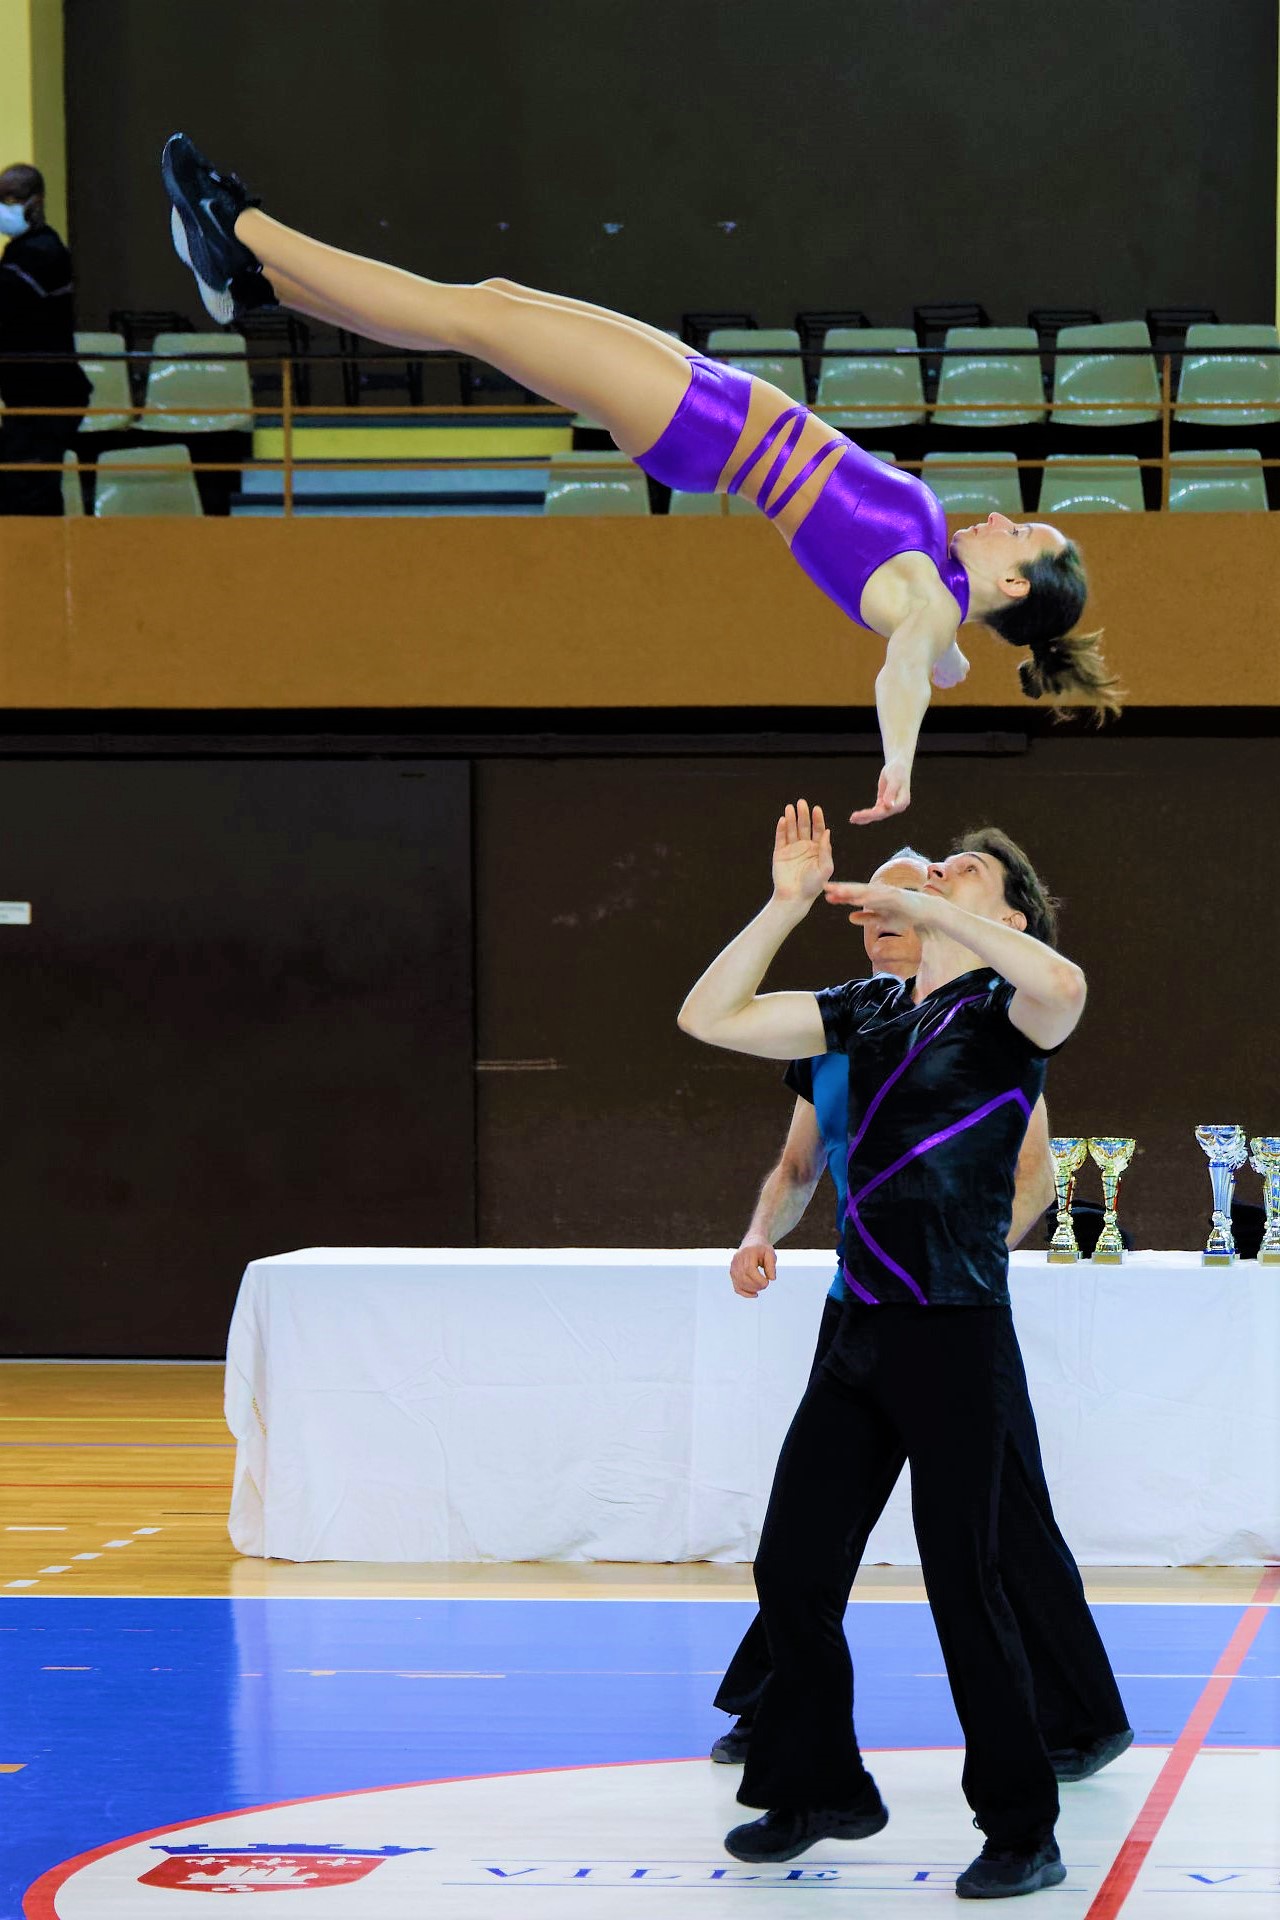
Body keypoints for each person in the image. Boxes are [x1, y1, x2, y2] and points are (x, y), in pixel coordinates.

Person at [158, 134, 1122, 825]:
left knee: (468, 318)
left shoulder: (930, 604)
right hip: (714, 403)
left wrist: (899, 761)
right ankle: (257, 286)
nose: (1002, 517)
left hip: (702, 424)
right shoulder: (950, 601)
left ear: (1010, 584)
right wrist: (1005, 656)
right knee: (486, 303)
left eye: (1020, 536)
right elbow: (951, 665)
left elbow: (911, 668)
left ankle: (237, 222)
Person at [678, 802, 1122, 1897]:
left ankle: (1021, 1829)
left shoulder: (1010, 1013)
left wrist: (938, 910)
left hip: (955, 1330)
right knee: (789, 1566)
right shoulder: (864, 1009)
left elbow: (1063, 988)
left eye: (965, 873)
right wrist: (782, 907)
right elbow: (709, 1015)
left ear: (1002, 912)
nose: (938, 873)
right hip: (856, 1326)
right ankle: (814, 1784)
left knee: (966, 1584)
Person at [0, 163, 91, 515]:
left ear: (35, 201)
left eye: (11, 197)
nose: (4, 206)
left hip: (49, 395)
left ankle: (42, 562)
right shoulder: (20, 251)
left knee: (31, 490)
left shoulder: (43, 252)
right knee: (29, 486)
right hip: (26, 396)